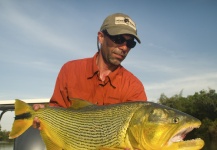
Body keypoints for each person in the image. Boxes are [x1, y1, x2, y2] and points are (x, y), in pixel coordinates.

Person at [33, 12, 147, 128]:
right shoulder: (70, 70)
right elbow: (57, 109)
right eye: (118, 39)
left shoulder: (134, 86)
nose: (124, 47)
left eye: (130, 43)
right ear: (101, 37)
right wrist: (44, 116)